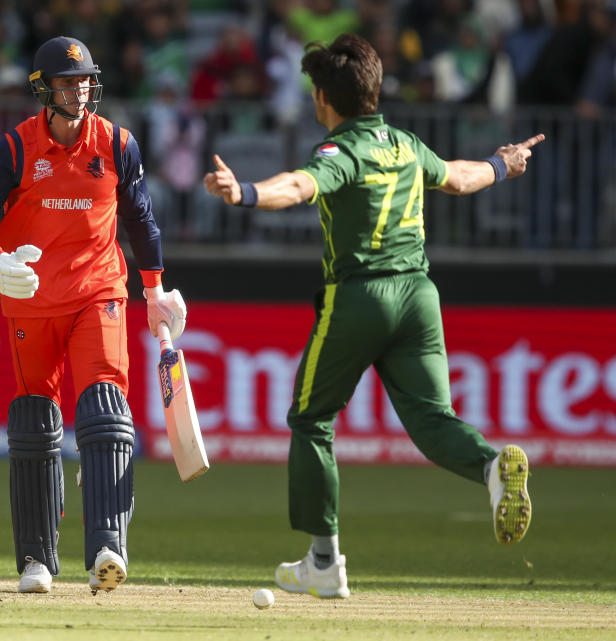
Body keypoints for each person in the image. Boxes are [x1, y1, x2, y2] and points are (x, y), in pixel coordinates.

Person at [204, 34, 541, 599]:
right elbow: (460, 177)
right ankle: (490, 470)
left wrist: (244, 193)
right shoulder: (405, 143)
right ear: (374, 89)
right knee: (433, 419)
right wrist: (502, 164)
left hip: (360, 296)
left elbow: (298, 185)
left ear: (321, 98)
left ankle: (323, 562)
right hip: (419, 297)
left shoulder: (340, 151)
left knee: (311, 419)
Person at [0, 36, 186, 595]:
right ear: (43, 89)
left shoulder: (116, 143)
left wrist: (155, 291)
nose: (79, 90)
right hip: (30, 295)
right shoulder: (14, 148)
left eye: (84, 80)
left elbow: (141, 221)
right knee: (35, 423)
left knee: (105, 407)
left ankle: (108, 546)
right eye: (67, 82)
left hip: (98, 290)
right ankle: (37, 560)